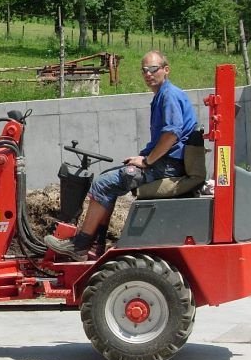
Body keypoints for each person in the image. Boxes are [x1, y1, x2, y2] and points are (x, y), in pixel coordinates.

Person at [44, 50, 198, 260]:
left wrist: (146, 160)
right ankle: (96, 246)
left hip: (167, 166)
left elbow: (172, 134)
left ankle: (79, 246)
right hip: (165, 162)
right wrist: (142, 156)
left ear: (166, 70)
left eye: (153, 69)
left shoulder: (169, 96)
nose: (148, 74)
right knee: (110, 177)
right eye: (144, 70)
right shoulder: (163, 95)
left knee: (103, 183)